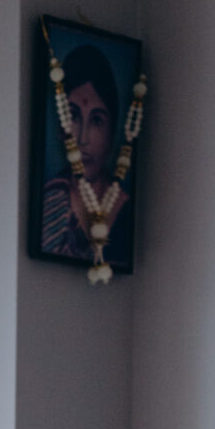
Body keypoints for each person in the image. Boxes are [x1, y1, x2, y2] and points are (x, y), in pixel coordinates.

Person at [41, 42, 131, 263]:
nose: (82, 139)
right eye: (73, 116)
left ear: (112, 131)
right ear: (61, 127)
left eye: (97, 120)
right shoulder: (51, 200)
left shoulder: (127, 208)